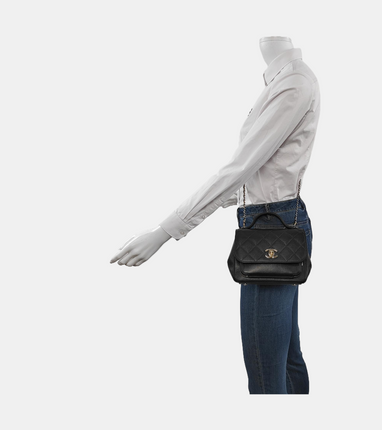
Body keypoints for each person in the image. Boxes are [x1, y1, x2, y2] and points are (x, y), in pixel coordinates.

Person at [110, 35, 320, 394]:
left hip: (271, 226)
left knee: (267, 372)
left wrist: (166, 231)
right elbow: (261, 172)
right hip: (277, 220)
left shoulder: (293, 83)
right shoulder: (288, 79)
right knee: (285, 361)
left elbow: (240, 168)